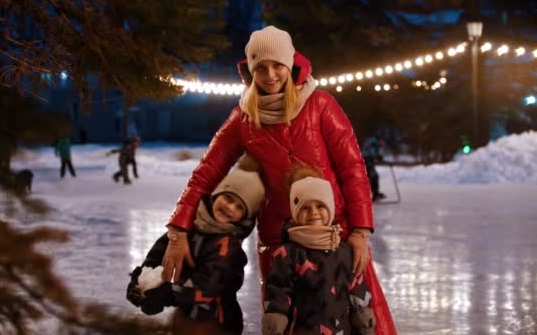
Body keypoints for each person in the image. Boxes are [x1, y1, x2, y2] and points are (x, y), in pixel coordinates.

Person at [161, 25, 396, 334]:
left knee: (359, 318)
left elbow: (353, 168)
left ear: (291, 64)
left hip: (335, 232)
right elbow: (205, 174)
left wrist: (361, 232)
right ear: (250, 71)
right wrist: (178, 233)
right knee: (285, 321)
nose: (270, 74)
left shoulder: (321, 106)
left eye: (277, 65)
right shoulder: (243, 120)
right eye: (261, 67)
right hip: (280, 240)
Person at [126, 162, 265, 335]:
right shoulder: (187, 229)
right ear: (216, 195)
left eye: (240, 208)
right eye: (228, 198)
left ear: (244, 217)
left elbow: (206, 287)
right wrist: (142, 282)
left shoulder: (229, 248)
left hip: (216, 324)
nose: (230, 207)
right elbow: (158, 256)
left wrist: (166, 294)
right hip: (185, 317)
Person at [262, 166, 375, 335]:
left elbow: (357, 289)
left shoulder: (344, 251)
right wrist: (275, 321)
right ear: (294, 213)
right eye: (305, 207)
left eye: (320, 206)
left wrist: (364, 320)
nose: (313, 213)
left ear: (330, 208)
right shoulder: (288, 254)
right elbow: (278, 291)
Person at [362, 136, 386, 201]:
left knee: (374, 176)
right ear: (380, 140)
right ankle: (369, 194)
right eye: (382, 141)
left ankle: (375, 194)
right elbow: (370, 153)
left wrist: (378, 156)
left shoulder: (373, 143)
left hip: (368, 162)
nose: (383, 143)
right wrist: (378, 156)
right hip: (366, 162)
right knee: (371, 177)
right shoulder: (373, 143)